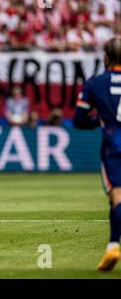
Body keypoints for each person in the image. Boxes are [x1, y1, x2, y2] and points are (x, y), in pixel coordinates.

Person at [73, 37, 121, 271]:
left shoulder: (95, 83)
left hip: (114, 148)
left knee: (117, 197)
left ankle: (113, 246)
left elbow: (79, 121)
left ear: (105, 58)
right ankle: (112, 245)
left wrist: (99, 119)